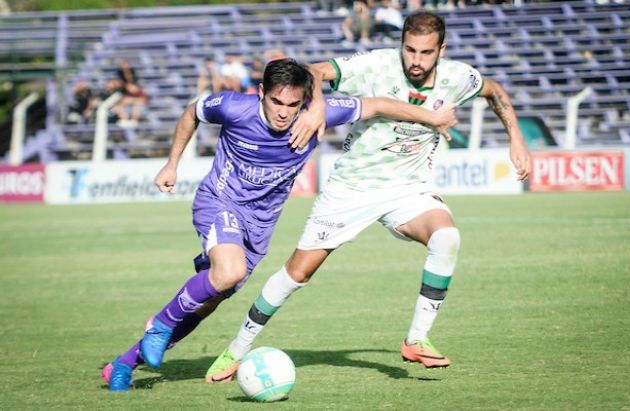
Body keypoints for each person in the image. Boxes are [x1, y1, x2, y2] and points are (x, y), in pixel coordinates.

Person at [204, 10, 532, 383]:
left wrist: (516, 141)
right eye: (409, 50)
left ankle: (417, 338)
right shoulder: (375, 65)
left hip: (409, 189)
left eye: (426, 53)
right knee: (297, 273)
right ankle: (236, 350)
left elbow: (496, 92)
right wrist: (316, 109)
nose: (416, 61)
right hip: (352, 189)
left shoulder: (460, 77)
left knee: (447, 237)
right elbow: (312, 70)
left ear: (441, 49)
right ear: (401, 44)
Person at [100, 58, 459, 391]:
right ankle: (160, 324)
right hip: (221, 202)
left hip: (260, 225)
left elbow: (379, 105)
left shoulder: (315, 115)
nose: (285, 113)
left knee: (208, 300)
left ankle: (124, 363)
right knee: (227, 272)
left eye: (294, 104)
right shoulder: (233, 107)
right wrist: (171, 164)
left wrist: (433, 118)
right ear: (260, 93)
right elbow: (191, 112)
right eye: (276, 102)